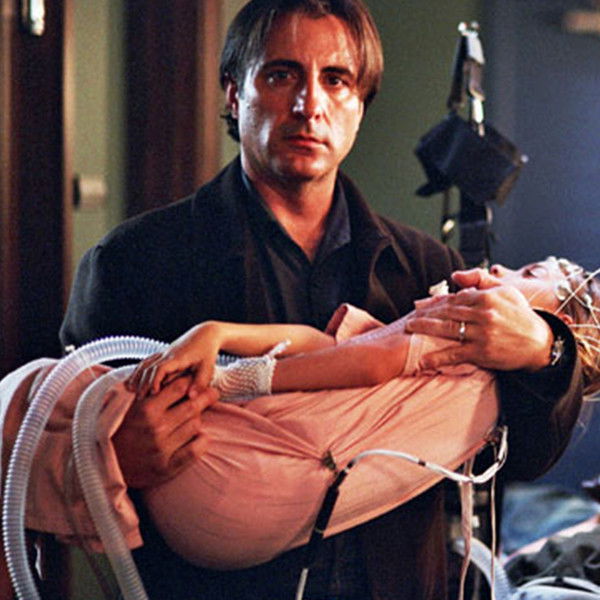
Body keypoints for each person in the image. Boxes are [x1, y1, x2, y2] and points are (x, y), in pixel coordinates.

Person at [58, 1, 583, 598]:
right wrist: (110, 456)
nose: (309, 104)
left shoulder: (427, 271)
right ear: (234, 93)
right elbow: (44, 453)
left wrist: (546, 351)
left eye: (336, 80)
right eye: (281, 75)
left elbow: (521, 459)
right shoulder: (135, 263)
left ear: (360, 105)